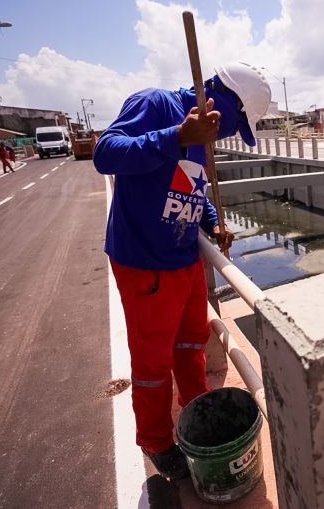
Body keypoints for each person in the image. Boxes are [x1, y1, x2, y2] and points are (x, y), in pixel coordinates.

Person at [93, 62, 271, 481]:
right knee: (152, 363)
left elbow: (191, 191)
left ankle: (196, 406)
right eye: (237, 124)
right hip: (145, 263)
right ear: (223, 102)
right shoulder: (155, 104)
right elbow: (105, 153)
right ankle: (155, 440)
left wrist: (213, 223)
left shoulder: (203, 143)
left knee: (191, 342)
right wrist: (176, 137)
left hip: (185, 257)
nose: (229, 135)